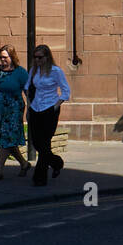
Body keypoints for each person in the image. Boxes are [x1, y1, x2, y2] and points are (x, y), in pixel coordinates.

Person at [25, 45, 71, 185]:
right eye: (35, 57)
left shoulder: (56, 71)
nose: (37, 60)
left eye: (40, 57)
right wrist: (29, 104)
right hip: (35, 108)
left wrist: (54, 107)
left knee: (45, 144)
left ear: (47, 57)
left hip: (49, 109)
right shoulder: (34, 71)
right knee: (38, 143)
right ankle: (56, 163)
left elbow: (65, 92)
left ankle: (39, 178)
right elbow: (27, 87)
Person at [0, 44, 31, 179]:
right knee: (7, 140)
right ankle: (24, 164)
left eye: (5, 57)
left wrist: (31, 109)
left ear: (12, 56)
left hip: (14, 111)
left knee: (4, 139)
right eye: (1, 57)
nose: (2, 60)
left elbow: (28, 92)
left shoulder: (20, 72)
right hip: (0, 111)